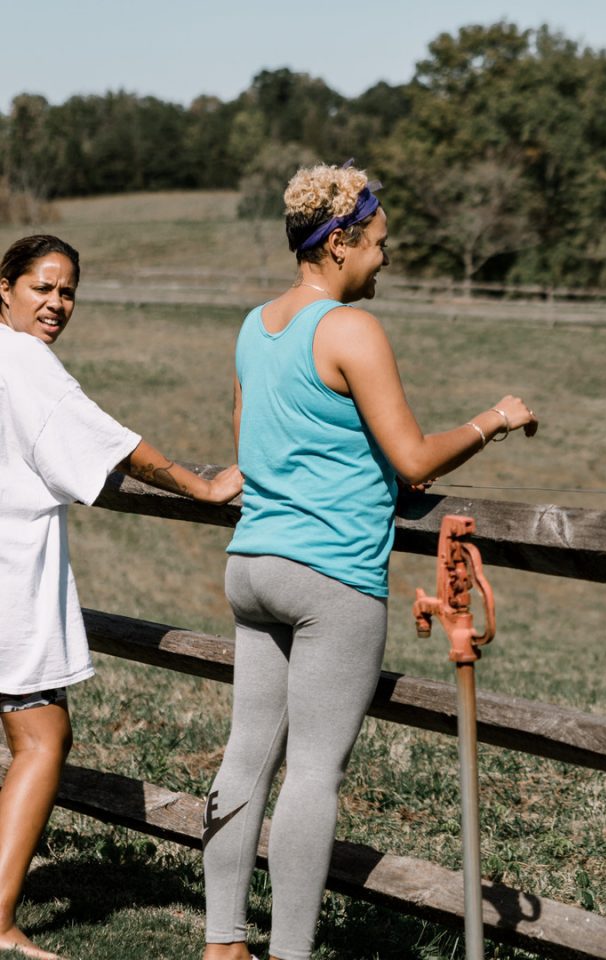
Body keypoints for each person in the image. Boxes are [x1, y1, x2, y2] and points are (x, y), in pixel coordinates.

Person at [201, 162, 538, 960]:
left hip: (254, 565)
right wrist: (493, 419)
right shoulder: (351, 329)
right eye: (379, 243)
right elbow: (415, 457)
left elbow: (254, 442)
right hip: (330, 576)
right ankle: (289, 953)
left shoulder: (255, 325)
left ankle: (222, 944)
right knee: (314, 772)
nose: (386, 258)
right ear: (339, 244)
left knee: (246, 754)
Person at [0, 234, 243, 960]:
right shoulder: (26, 364)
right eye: (42, 287)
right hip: (9, 576)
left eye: (68, 291)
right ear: (4, 288)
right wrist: (201, 485)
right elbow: (113, 445)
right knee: (42, 739)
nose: (57, 304)